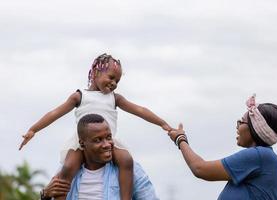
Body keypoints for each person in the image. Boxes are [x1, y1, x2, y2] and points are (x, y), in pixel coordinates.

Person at [19, 53, 171, 200]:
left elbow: (140, 110)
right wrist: (34, 129)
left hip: (108, 142)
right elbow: (55, 112)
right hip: (81, 143)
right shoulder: (80, 96)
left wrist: (162, 123)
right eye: (111, 77)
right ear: (96, 73)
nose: (114, 83)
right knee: (68, 167)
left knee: (126, 160)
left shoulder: (114, 98)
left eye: (117, 81)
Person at [168, 94, 277, 199]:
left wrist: (181, 139)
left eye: (241, 121)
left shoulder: (260, 155)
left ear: (255, 129)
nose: (237, 126)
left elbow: (200, 169)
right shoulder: (263, 157)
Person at [40, 113, 159, 200]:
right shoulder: (67, 170)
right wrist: (44, 195)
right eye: (98, 140)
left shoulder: (131, 170)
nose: (107, 145)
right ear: (82, 143)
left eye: (108, 137)